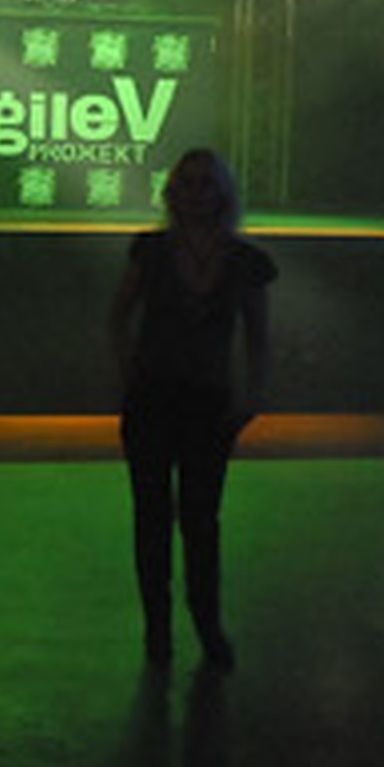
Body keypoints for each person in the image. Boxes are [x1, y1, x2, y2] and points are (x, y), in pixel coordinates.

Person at [110, 149, 276, 671]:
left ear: (222, 193)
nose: (197, 192)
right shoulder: (152, 251)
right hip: (154, 400)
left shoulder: (244, 261)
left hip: (207, 405)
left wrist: (253, 397)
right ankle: (160, 628)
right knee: (153, 518)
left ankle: (205, 624)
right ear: (173, 193)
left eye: (206, 183)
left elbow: (259, 337)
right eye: (189, 183)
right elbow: (117, 317)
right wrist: (130, 378)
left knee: (201, 521)